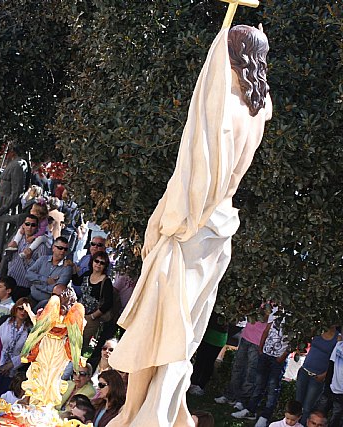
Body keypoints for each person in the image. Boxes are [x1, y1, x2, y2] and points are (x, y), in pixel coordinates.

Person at [108, 25, 273, 427]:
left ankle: (143, 415)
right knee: (177, 337)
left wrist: (166, 225)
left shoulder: (223, 106)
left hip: (190, 227)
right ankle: (152, 413)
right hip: (218, 228)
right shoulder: (259, 107)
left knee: (160, 336)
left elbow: (197, 175)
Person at [20, 286, 85, 407]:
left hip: (59, 349)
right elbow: (39, 326)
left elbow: (75, 337)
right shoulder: (49, 312)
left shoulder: (71, 317)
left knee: (53, 375)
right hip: (46, 345)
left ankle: (45, 403)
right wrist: (30, 312)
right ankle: (33, 399)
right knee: (40, 371)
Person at [296, 325, 340, 425]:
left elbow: (335, 360)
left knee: (307, 408)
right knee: (297, 404)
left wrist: (324, 375)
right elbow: (304, 338)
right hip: (304, 371)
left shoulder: (338, 338)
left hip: (317, 377)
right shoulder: (318, 329)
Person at [72, 251, 114, 348]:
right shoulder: (87, 274)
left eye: (102, 263)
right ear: (92, 262)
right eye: (96, 261)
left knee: (81, 345)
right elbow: (77, 281)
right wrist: (73, 268)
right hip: (77, 313)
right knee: (70, 339)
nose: (98, 264)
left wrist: (93, 316)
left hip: (91, 318)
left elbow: (108, 303)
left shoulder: (106, 281)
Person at [6, 213, 50, 298]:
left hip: (24, 286)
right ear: (23, 225)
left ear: (37, 227)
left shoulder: (41, 246)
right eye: (27, 224)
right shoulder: (17, 239)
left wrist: (29, 259)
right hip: (9, 280)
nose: (29, 227)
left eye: (33, 225)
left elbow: (42, 270)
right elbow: (8, 257)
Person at [0, 297, 32, 395]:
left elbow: (27, 353)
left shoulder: (30, 330)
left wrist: (10, 366)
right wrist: (0, 365)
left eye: (26, 310)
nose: (23, 312)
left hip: (14, 371)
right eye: (20, 308)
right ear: (15, 308)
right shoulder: (4, 321)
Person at [25, 237, 73, 308]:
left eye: (65, 249)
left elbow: (57, 289)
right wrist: (46, 280)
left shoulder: (67, 268)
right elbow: (28, 274)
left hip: (47, 302)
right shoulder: (43, 259)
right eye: (60, 248)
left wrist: (37, 284)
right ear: (53, 247)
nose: (63, 251)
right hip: (31, 296)